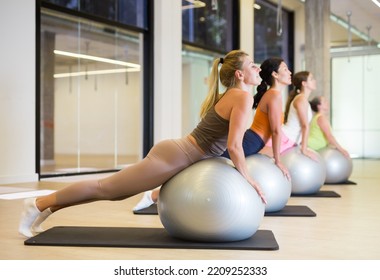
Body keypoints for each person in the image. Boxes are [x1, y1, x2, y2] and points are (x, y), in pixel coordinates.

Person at [19, 50, 266, 238]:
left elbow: (229, 145)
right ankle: (37, 203)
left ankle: (46, 210)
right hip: (175, 156)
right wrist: (250, 180)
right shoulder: (242, 97)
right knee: (104, 187)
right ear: (239, 74)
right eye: (253, 66)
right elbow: (234, 146)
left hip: (178, 155)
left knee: (113, 194)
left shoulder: (235, 96)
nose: (258, 69)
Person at [134, 57, 292, 212]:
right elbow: (276, 131)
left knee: (198, 166)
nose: (289, 72)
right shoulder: (274, 95)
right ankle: (153, 195)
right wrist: (278, 161)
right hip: (250, 141)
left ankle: (153, 194)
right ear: (275, 75)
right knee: (198, 167)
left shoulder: (271, 95)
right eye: (285, 69)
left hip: (253, 141)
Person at [260, 70, 318, 160]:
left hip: (290, 140)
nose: (315, 81)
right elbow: (305, 126)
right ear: (304, 83)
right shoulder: (301, 100)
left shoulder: (303, 99)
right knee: (259, 160)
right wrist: (304, 149)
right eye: (311, 79)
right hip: (285, 138)